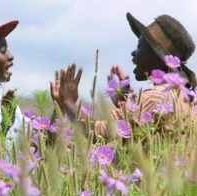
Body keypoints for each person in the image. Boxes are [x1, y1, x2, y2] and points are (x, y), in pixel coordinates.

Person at [51, 13, 197, 137]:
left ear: (157, 55)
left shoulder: (155, 97)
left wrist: (67, 101)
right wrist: (128, 101)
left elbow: (98, 132)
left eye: (139, 46)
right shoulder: (186, 97)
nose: (134, 53)